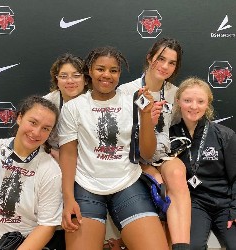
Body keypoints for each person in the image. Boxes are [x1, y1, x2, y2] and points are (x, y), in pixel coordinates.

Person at [58, 46, 169, 250]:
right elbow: (68, 154)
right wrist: (68, 198)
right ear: (89, 71)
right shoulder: (74, 107)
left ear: (119, 73)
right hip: (86, 187)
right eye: (100, 69)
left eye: (114, 70)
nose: (107, 75)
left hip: (128, 184)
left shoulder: (134, 102)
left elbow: (146, 153)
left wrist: (146, 117)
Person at [118, 37, 191, 249]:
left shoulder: (175, 93)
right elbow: (121, 139)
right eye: (161, 59)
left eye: (172, 62)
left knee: (177, 173)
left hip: (162, 154)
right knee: (157, 181)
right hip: (135, 157)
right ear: (150, 58)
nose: (165, 66)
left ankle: (181, 245)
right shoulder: (125, 91)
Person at [0, 96, 63, 250]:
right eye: (33, 123)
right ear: (19, 118)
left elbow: (47, 226)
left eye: (45, 128)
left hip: (25, 244)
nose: (36, 132)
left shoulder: (50, 169)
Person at [170, 77, 236, 250]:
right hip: (195, 204)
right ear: (178, 101)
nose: (193, 106)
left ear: (208, 103)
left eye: (200, 101)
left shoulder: (225, 135)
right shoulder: (170, 136)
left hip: (225, 203)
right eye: (187, 100)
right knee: (191, 247)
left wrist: (235, 208)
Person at [44, 52, 88, 161]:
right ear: (57, 80)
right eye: (63, 76)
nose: (70, 81)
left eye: (76, 75)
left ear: (86, 79)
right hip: (53, 157)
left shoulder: (97, 101)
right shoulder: (46, 103)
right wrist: (50, 152)